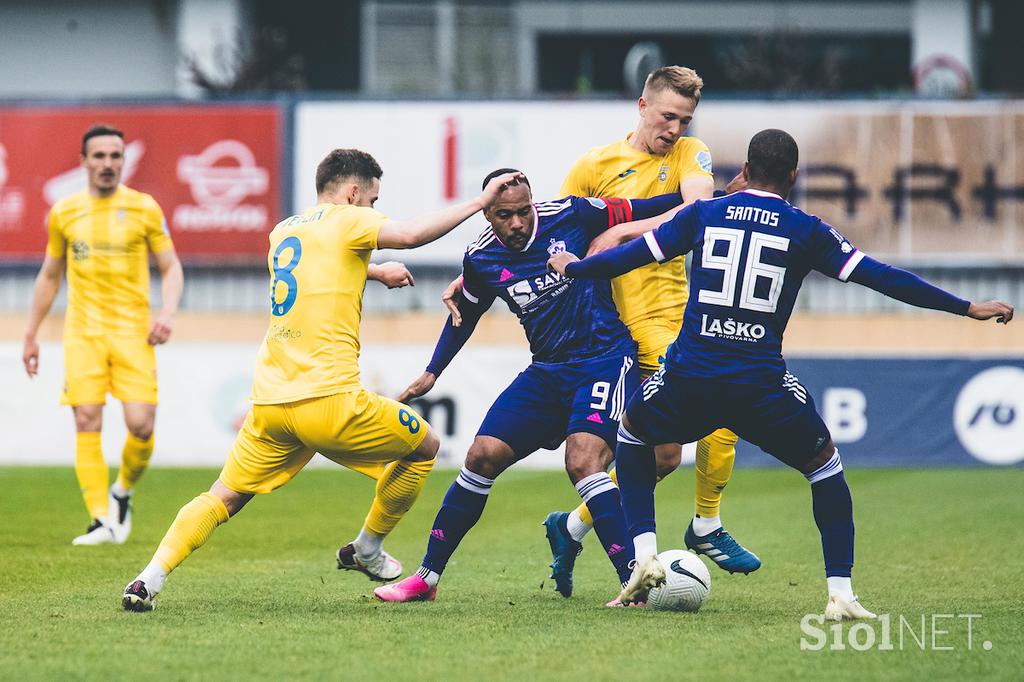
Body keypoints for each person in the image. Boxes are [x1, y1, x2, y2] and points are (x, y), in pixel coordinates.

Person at [548, 128, 1014, 616]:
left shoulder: (704, 215)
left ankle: (644, 556)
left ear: (744, 171)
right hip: (760, 384)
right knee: (825, 465)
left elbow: (630, 256)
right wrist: (965, 307)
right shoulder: (807, 229)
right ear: (794, 176)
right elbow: (883, 277)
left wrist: (574, 267)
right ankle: (841, 593)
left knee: (636, 434)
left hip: (691, 376)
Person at [120, 150, 522, 612]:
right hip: (330, 401)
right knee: (425, 447)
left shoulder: (284, 231)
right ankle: (367, 548)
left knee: (224, 497)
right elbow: (409, 235)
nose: (372, 211)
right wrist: (479, 201)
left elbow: (316, 271)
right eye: (372, 200)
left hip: (271, 404)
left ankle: (149, 578)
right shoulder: (348, 220)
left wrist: (374, 270)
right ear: (352, 193)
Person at [373, 169, 686, 605]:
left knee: (583, 460)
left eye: (524, 212)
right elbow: (466, 313)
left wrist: (701, 197)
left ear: (533, 203)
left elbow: (644, 208)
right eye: (504, 216)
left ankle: (630, 583)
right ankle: (425, 578)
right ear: (487, 214)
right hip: (547, 371)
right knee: (482, 456)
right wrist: (433, 371)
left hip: (604, 360)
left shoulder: (573, 215)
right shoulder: (480, 259)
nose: (517, 223)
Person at [23, 124, 184, 546]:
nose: (108, 164)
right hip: (84, 334)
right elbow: (50, 275)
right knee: (87, 418)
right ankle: (100, 520)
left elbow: (170, 267)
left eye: (116, 156)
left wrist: (166, 311)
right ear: (84, 162)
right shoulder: (65, 212)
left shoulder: (145, 208)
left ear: (124, 161)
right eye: (99, 156)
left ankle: (123, 491)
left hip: (134, 334)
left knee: (141, 425)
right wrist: (31, 333)